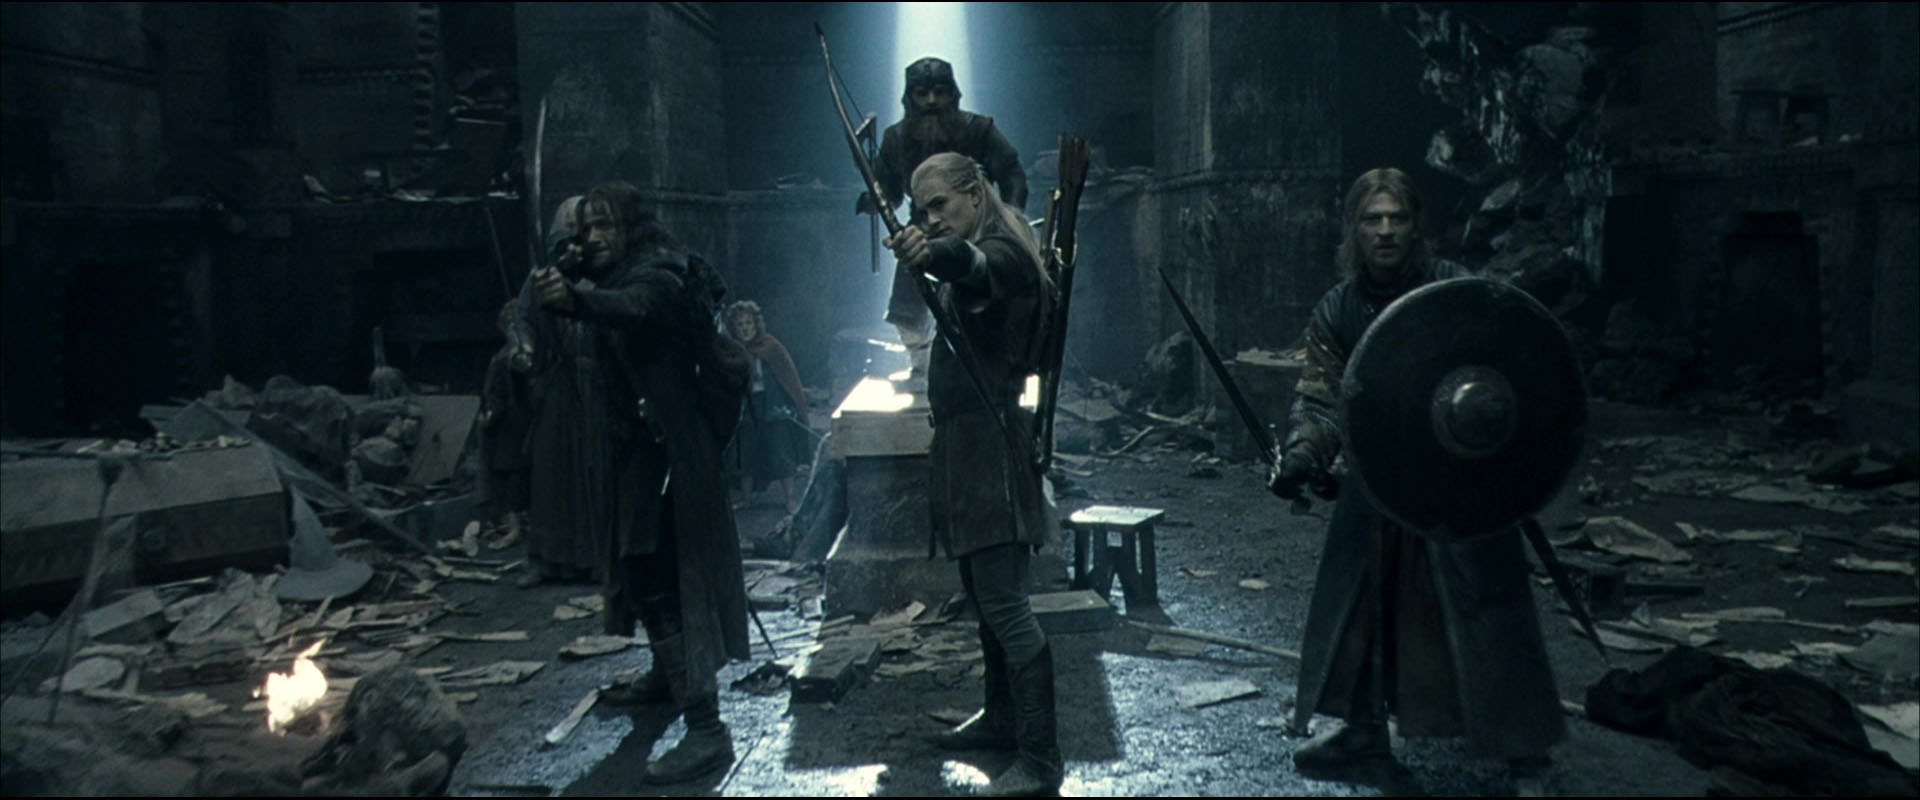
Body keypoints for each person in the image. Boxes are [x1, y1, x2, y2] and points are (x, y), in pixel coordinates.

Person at [1271, 167, 1563, 795]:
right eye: (1372, 219)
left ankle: (1525, 752)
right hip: (1380, 475)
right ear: (1354, 230)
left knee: (1489, 605)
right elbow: (1322, 399)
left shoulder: (1454, 289)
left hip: (1464, 479)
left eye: (1396, 218)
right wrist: (1302, 453)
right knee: (1359, 604)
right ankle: (1362, 732)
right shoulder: (1338, 309)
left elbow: (1508, 365)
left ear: (1414, 227)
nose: (1385, 231)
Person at [525, 181, 752, 785]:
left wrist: (576, 297)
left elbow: (634, 307)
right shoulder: (617, 269)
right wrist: (567, 276)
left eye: (605, 226)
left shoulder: (659, 273)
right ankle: (665, 677)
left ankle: (707, 729)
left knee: (672, 582)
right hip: (641, 455)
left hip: (675, 456)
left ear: (631, 226)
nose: (594, 238)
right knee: (642, 569)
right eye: (587, 229)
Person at [883, 152, 1059, 796]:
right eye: (921, 210)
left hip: (992, 446)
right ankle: (1003, 717)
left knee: (1006, 606)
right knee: (986, 600)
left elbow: (975, 266)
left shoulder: (1005, 254)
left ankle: (1040, 759)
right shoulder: (981, 244)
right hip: (968, 445)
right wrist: (933, 251)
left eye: (940, 205)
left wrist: (931, 251)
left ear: (976, 196)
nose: (931, 218)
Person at [866, 57, 1028, 380]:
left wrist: (1007, 221)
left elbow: (1012, 175)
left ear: (952, 94)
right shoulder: (896, 138)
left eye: (939, 92)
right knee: (908, 311)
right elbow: (890, 191)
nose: (931, 101)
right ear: (909, 97)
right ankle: (923, 366)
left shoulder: (979, 129)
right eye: (922, 94)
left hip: (976, 229)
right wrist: (875, 196)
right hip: (922, 231)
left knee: (983, 301)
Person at [722, 300, 813, 515]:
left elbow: (787, 378)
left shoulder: (771, 346)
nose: (745, 328)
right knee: (745, 451)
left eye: (749, 323)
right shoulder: (732, 351)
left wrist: (789, 404)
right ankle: (746, 498)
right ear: (734, 328)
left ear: (756, 324)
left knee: (781, 450)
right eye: (740, 325)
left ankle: (790, 498)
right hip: (746, 406)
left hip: (772, 403)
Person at [476, 296, 532, 549]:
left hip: (509, 427)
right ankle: (519, 525)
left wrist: (489, 417)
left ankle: (515, 528)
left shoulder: (506, 358)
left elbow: (497, 394)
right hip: (520, 424)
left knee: (508, 478)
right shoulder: (519, 356)